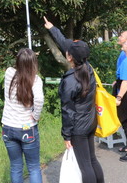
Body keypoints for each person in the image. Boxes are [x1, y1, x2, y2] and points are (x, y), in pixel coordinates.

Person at [44, 17, 104, 183]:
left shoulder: (71, 80)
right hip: (90, 122)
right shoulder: (87, 67)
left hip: (78, 127)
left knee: (85, 165)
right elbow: (65, 43)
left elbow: (68, 111)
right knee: (92, 160)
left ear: (69, 57)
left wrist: (66, 135)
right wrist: (52, 28)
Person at [1, 48, 44, 183]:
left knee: (15, 167)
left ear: (18, 62)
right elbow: (39, 99)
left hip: (8, 127)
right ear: (33, 64)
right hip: (27, 128)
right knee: (33, 167)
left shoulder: (9, 73)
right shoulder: (36, 80)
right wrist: (35, 116)